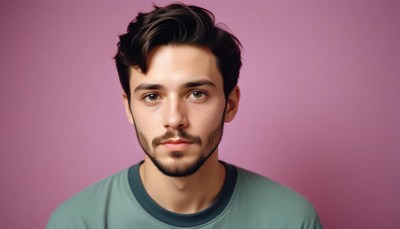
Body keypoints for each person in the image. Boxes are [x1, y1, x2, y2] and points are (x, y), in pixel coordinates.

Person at [47, 3, 322, 229]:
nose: (175, 119)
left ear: (230, 104)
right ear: (129, 108)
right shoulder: (77, 222)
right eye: (152, 96)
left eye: (196, 94)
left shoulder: (291, 220)